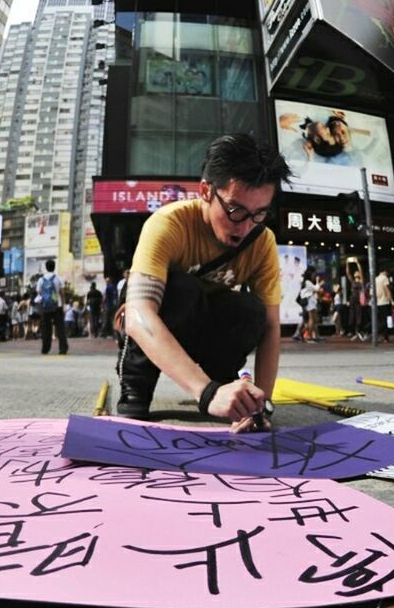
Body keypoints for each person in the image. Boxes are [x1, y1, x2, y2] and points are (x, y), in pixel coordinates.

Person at [116, 133, 290, 431]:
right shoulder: (169, 224)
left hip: (207, 329)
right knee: (183, 290)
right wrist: (206, 393)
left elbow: (271, 327)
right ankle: (136, 385)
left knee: (251, 310)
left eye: (259, 213)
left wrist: (262, 405)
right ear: (206, 191)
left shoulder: (262, 242)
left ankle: (224, 384)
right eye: (235, 210)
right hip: (158, 327)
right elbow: (138, 314)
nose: (246, 227)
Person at [38, 258, 67, 355]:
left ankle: (45, 349)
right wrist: (64, 306)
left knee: (46, 328)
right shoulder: (59, 278)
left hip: (45, 306)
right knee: (60, 329)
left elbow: (39, 292)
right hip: (57, 306)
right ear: (54, 267)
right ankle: (62, 348)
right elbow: (62, 294)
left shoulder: (41, 280)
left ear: (46, 267)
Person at [375, 269, 392, 342]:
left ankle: (379, 335)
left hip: (378, 302)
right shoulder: (384, 278)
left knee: (380, 320)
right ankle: (385, 337)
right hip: (385, 301)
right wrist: (391, 300)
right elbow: (387, 289)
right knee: (386, 320)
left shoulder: (375, 279)